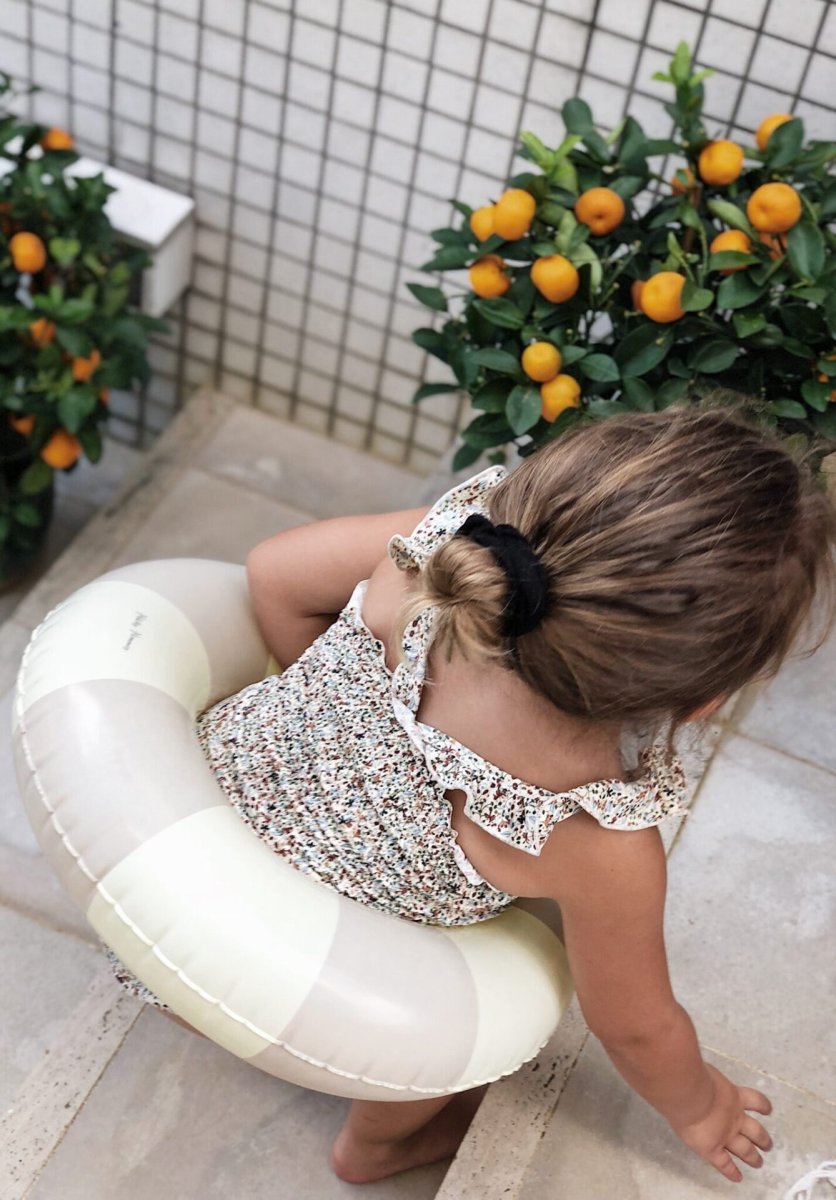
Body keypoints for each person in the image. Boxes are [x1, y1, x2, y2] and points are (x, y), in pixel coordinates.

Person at [108, 405, 834, 1187]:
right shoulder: (596, 837)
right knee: (447, 1034)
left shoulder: (434, 559)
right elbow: (637, 1027)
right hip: (283, 1004)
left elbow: (273, 573)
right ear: (701, 702)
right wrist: (701, 1108)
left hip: (155, 908)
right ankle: (377, 1147)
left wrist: (347, 711)